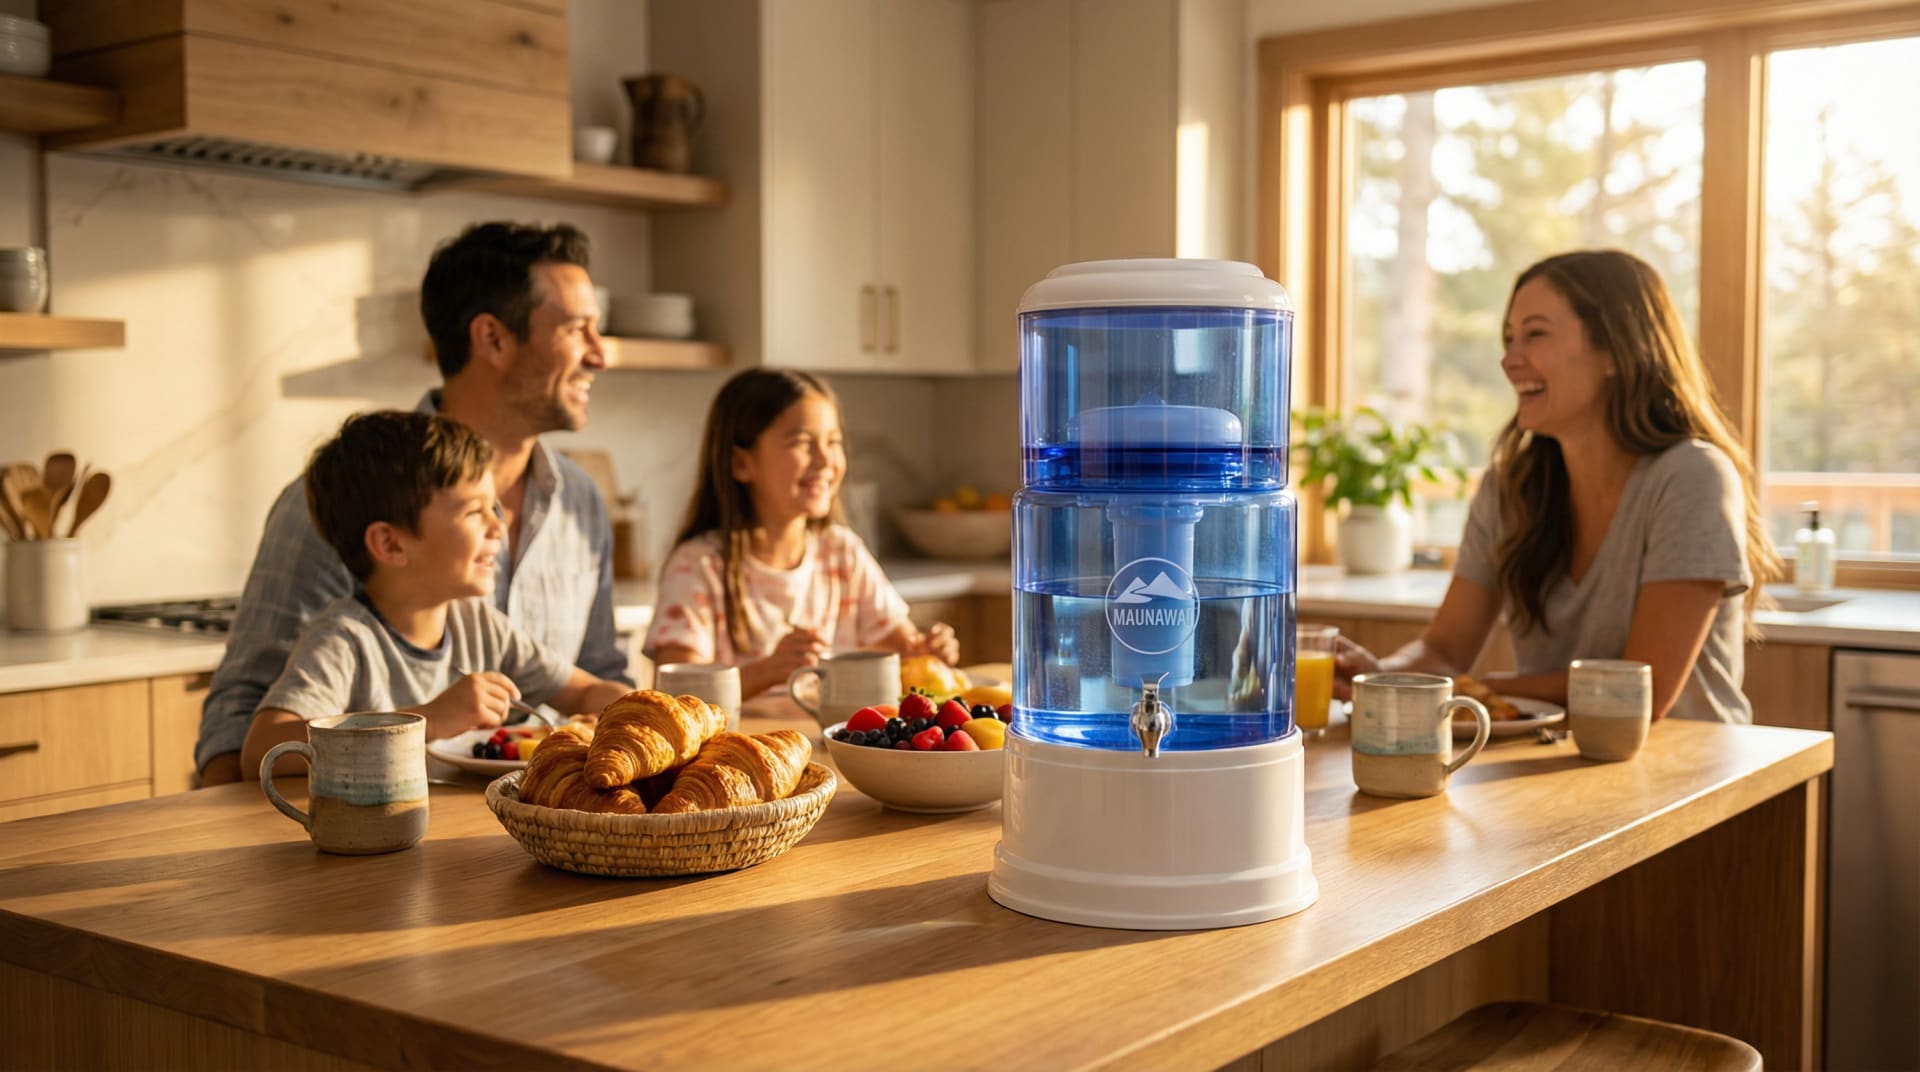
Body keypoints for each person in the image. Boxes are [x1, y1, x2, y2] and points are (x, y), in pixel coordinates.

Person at [199, 222, 630, 785]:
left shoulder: (581, 501)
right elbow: (241, 738)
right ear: (492, 339)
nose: (601, 355)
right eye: (577, 329)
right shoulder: (335, 502)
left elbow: (597, 676)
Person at [1332, 249, 1779, 723]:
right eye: (1508, 339)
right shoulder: (1509, 489)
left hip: (1694, 774)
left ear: (1614, 351)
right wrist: (1382, 677)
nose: (1509, 360)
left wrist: (1478, 690)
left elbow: (1641, 687)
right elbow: (1444, 648)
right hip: (1552, 765)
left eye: (1535, 335)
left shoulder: (1692, 477)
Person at [242, 412, 631, 776]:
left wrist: (626, 708)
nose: (497, 527)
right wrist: (427, 719)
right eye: (474, 512)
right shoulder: (345, 639)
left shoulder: (477, 624)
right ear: (391, 545)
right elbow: (261, 749)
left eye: (492, 507)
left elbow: (585, 693)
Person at [643, 368, 960, 699]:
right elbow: (676, 697)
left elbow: (903, 648)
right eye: (802, 443)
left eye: (833, 442)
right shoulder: (699, 566)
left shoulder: (841, 553)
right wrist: (769, 670)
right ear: (741, 463)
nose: (825, 460)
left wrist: (928, 651)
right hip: (742, 748)